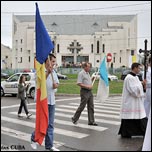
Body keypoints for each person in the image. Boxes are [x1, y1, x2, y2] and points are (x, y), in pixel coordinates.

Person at [31, 54, 60, 151]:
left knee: (50, 124)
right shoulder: (40, 71)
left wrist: (56, 85)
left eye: (54, 62)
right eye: (52, 61)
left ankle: (49, 145)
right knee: (42, 123)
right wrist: (47, 72)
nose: (54, 63)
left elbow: (56, 84)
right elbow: (40, 82)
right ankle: (33, 139)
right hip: (43, 101)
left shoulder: (54, 72)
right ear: (47, 61)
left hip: (52, 101)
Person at [118, 62, 147, 138]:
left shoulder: (136, 77)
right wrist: (141, 84)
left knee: (138, 116)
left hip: (135, 101)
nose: (139, 70)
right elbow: (133, 90)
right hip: (130, 101)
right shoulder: (129, 78)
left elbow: (137, 86)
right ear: (134, 68)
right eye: (139, 68)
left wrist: (142, 83)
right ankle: (126, 133)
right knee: (130, 117)